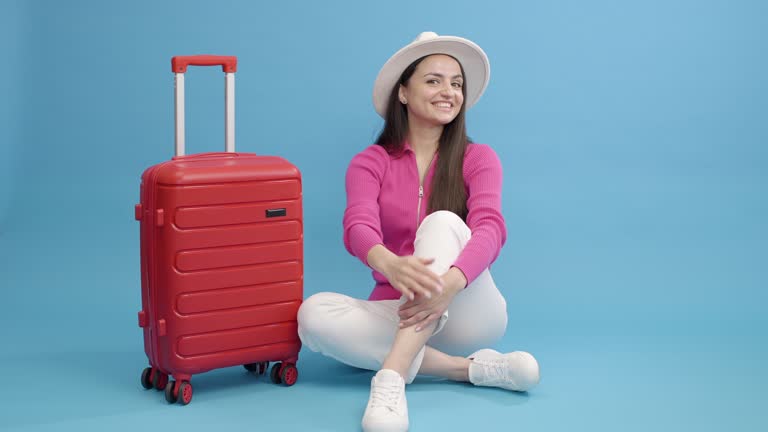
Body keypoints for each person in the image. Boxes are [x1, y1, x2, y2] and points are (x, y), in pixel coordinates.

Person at [297, 32, 540, 432]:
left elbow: (491, 228)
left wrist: (449, 283)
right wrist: (388, 263)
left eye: (456, 83)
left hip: (466, 311)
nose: (449, 92)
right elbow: (357, 224)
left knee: (443, 222)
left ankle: (390, 377)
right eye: (434, 80)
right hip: (399, 314)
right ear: (404, 93)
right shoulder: (370, 162)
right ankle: (470, 370)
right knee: (312, 316)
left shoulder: (478, 158)